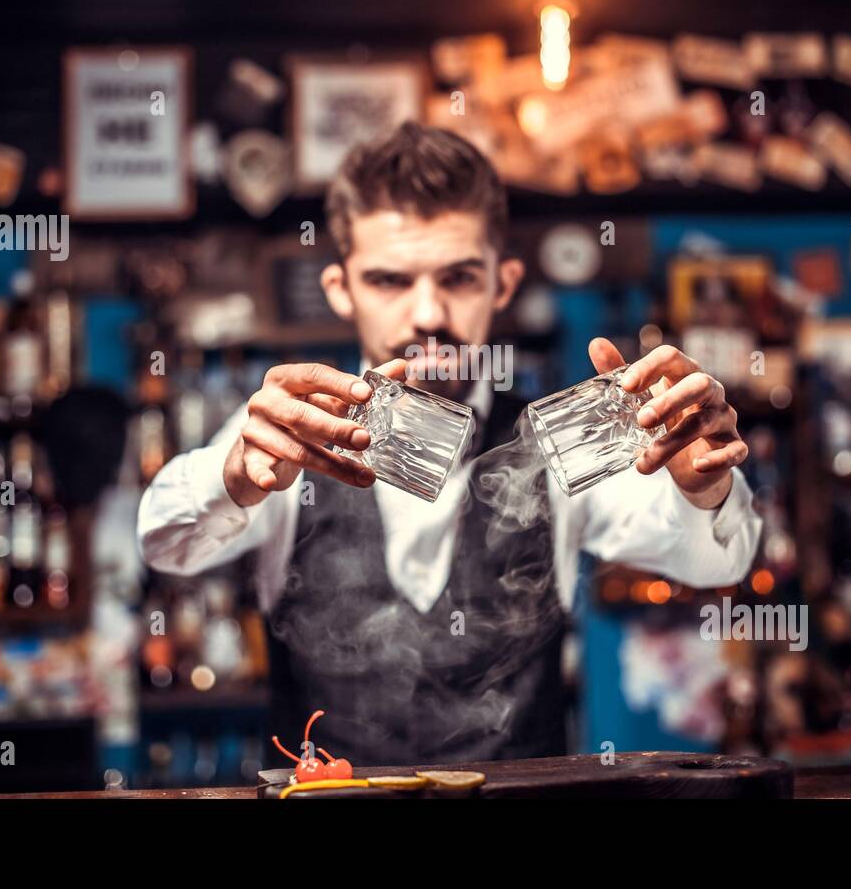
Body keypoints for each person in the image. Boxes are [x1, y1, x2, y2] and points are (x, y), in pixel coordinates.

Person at [137, 121, 762, 766]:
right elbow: (163, 543)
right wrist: (233, 475)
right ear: (340, 290)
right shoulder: (286, 429)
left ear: (503, 284)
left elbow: (717, 562)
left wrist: (703, 484)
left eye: (459, 278)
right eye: (389, 280)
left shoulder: (564, 438)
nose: (428, 313)